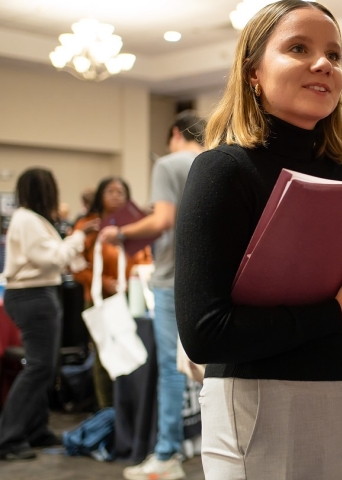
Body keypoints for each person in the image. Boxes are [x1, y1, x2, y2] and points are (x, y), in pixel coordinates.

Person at [173, 2, 342, 479]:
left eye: (334, 55)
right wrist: (339, 311)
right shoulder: (223, 170)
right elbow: (204, 333)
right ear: (253, 72)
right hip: (266, 403)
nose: (324, 64)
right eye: (299, 48)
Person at [100, 110, 206, 480]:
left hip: (171, 281)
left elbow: (162, 221)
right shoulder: (216, 160)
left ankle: (167, 454)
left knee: (171, 371)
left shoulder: (168, 165)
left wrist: (123, 233)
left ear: (176, 134)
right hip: (209, 281)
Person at [0, 168, 99, 460]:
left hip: (38, 294)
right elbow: (53, 257)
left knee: (46, 366)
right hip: (33, 295)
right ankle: (8, 438)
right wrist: (79, 237)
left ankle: (35, 429)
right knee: (39, 367)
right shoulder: (27, 220)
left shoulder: (32, 220)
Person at [73, 176, 152, 410]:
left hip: (132, 298)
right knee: (104, 356)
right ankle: (106, 410)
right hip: (99, 299)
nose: (116, 195)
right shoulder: (88, 225)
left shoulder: (134, 225)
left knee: (133, 351)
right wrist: (103, 281)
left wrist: (136, 278)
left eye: (121, 191)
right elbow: (76, 266)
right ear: (100, 195)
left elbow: (146, 258)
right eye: (110, 191)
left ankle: (129, 411)